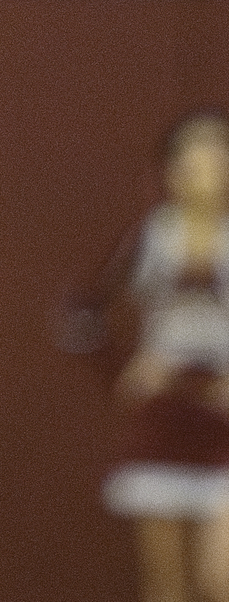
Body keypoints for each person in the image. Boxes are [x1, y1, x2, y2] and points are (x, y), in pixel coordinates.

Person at [96, 114, 229, 602]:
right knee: (165, 585)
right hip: (164, 412)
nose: (204, 163)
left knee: (219, 580)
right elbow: (87, 313)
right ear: (171, 167)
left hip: (222, 417)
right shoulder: (150, 237)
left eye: (216, 150)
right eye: (191, 152)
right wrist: (126, 370)